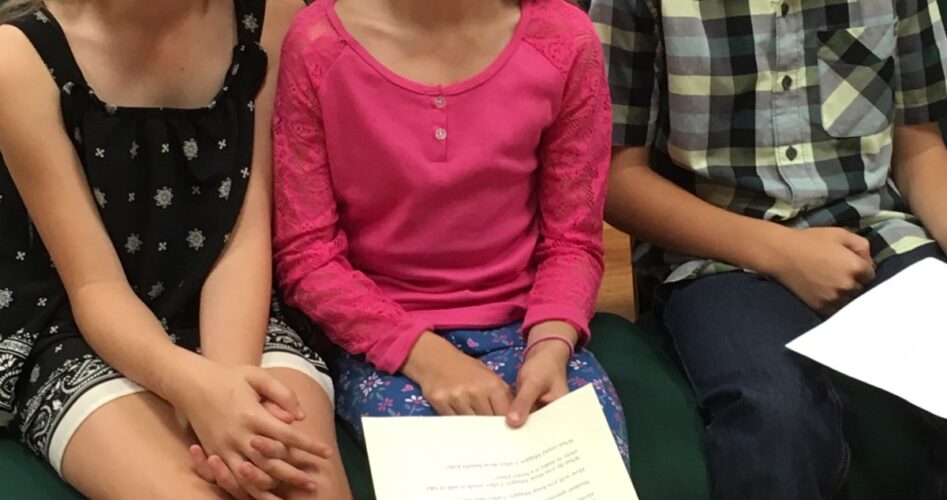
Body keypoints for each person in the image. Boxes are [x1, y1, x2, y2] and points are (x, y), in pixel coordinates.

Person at [590, 0, 947, 498]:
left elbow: (919, 148)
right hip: (718, 255)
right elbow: (615, 178)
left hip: (877, 233)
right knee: (775, 411)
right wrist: (783, 252)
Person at [0, 0, 352, 498]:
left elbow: (243, 230)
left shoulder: (270, 16)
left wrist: (230, 388)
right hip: (77, 325)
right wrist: (193, 387)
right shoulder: (20, 56)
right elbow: (94, 285)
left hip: (236, 310)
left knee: (300, 486)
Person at [272, 0, 629, 466]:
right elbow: (308, 255)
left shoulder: (564, 39)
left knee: (584, 471)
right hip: (384, 339)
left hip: (528, 327)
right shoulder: (317, 44)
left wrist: (550, 343)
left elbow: (573, 240)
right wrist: (429, 359)